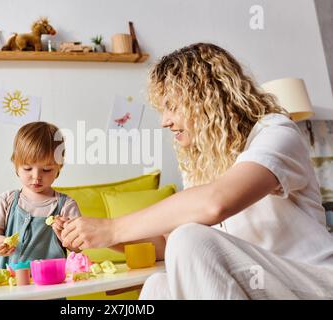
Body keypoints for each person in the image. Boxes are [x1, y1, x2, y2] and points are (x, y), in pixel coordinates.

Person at [61, 43, 333, 299]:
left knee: (189, 238)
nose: (165, 122)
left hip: (312, 285)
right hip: (253, 284)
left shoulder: (276, 132)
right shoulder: (204, 162)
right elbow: (167, 245)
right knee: (158, 287)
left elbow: (217, 202)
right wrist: (95, 236)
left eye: (172, 107)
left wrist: (114, 227)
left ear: (206, 98)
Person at [0, 121, 81, 269]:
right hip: (11, 282)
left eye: (46, 169)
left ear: (59, 167)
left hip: (52, 284)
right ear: (16, 165)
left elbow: (78, 248)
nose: (36, 177)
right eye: (28, 168)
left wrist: (66, 235)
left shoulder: (65, 205)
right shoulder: (6, 201)